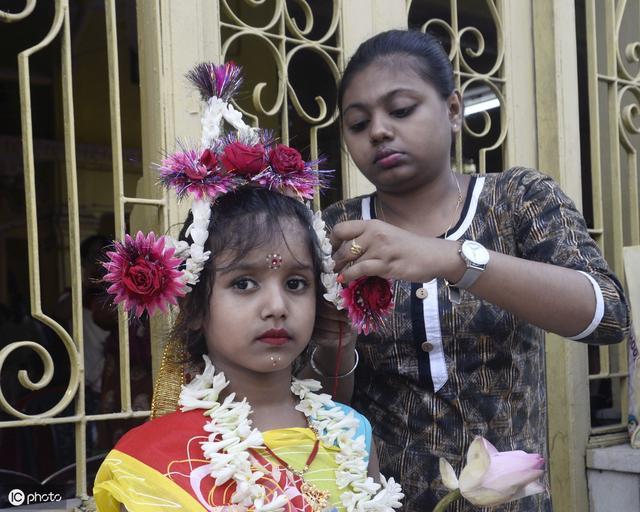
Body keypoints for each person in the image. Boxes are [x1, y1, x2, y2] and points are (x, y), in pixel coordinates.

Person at [309, 30, 630, 511]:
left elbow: (608, 316)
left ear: (454, 110)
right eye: (358, 123)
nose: (378, 131)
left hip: (511, 503)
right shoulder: (336, 231)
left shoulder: (518, 200)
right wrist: (335, 347)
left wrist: (452, 258)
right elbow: (318, 399)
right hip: (381, 500)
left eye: (400, 110)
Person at [92, 61, 403, 512]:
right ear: (196, 306)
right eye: (243, 284)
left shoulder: (351, 432)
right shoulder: (149, 463)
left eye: (296, 283)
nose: (276, 306)